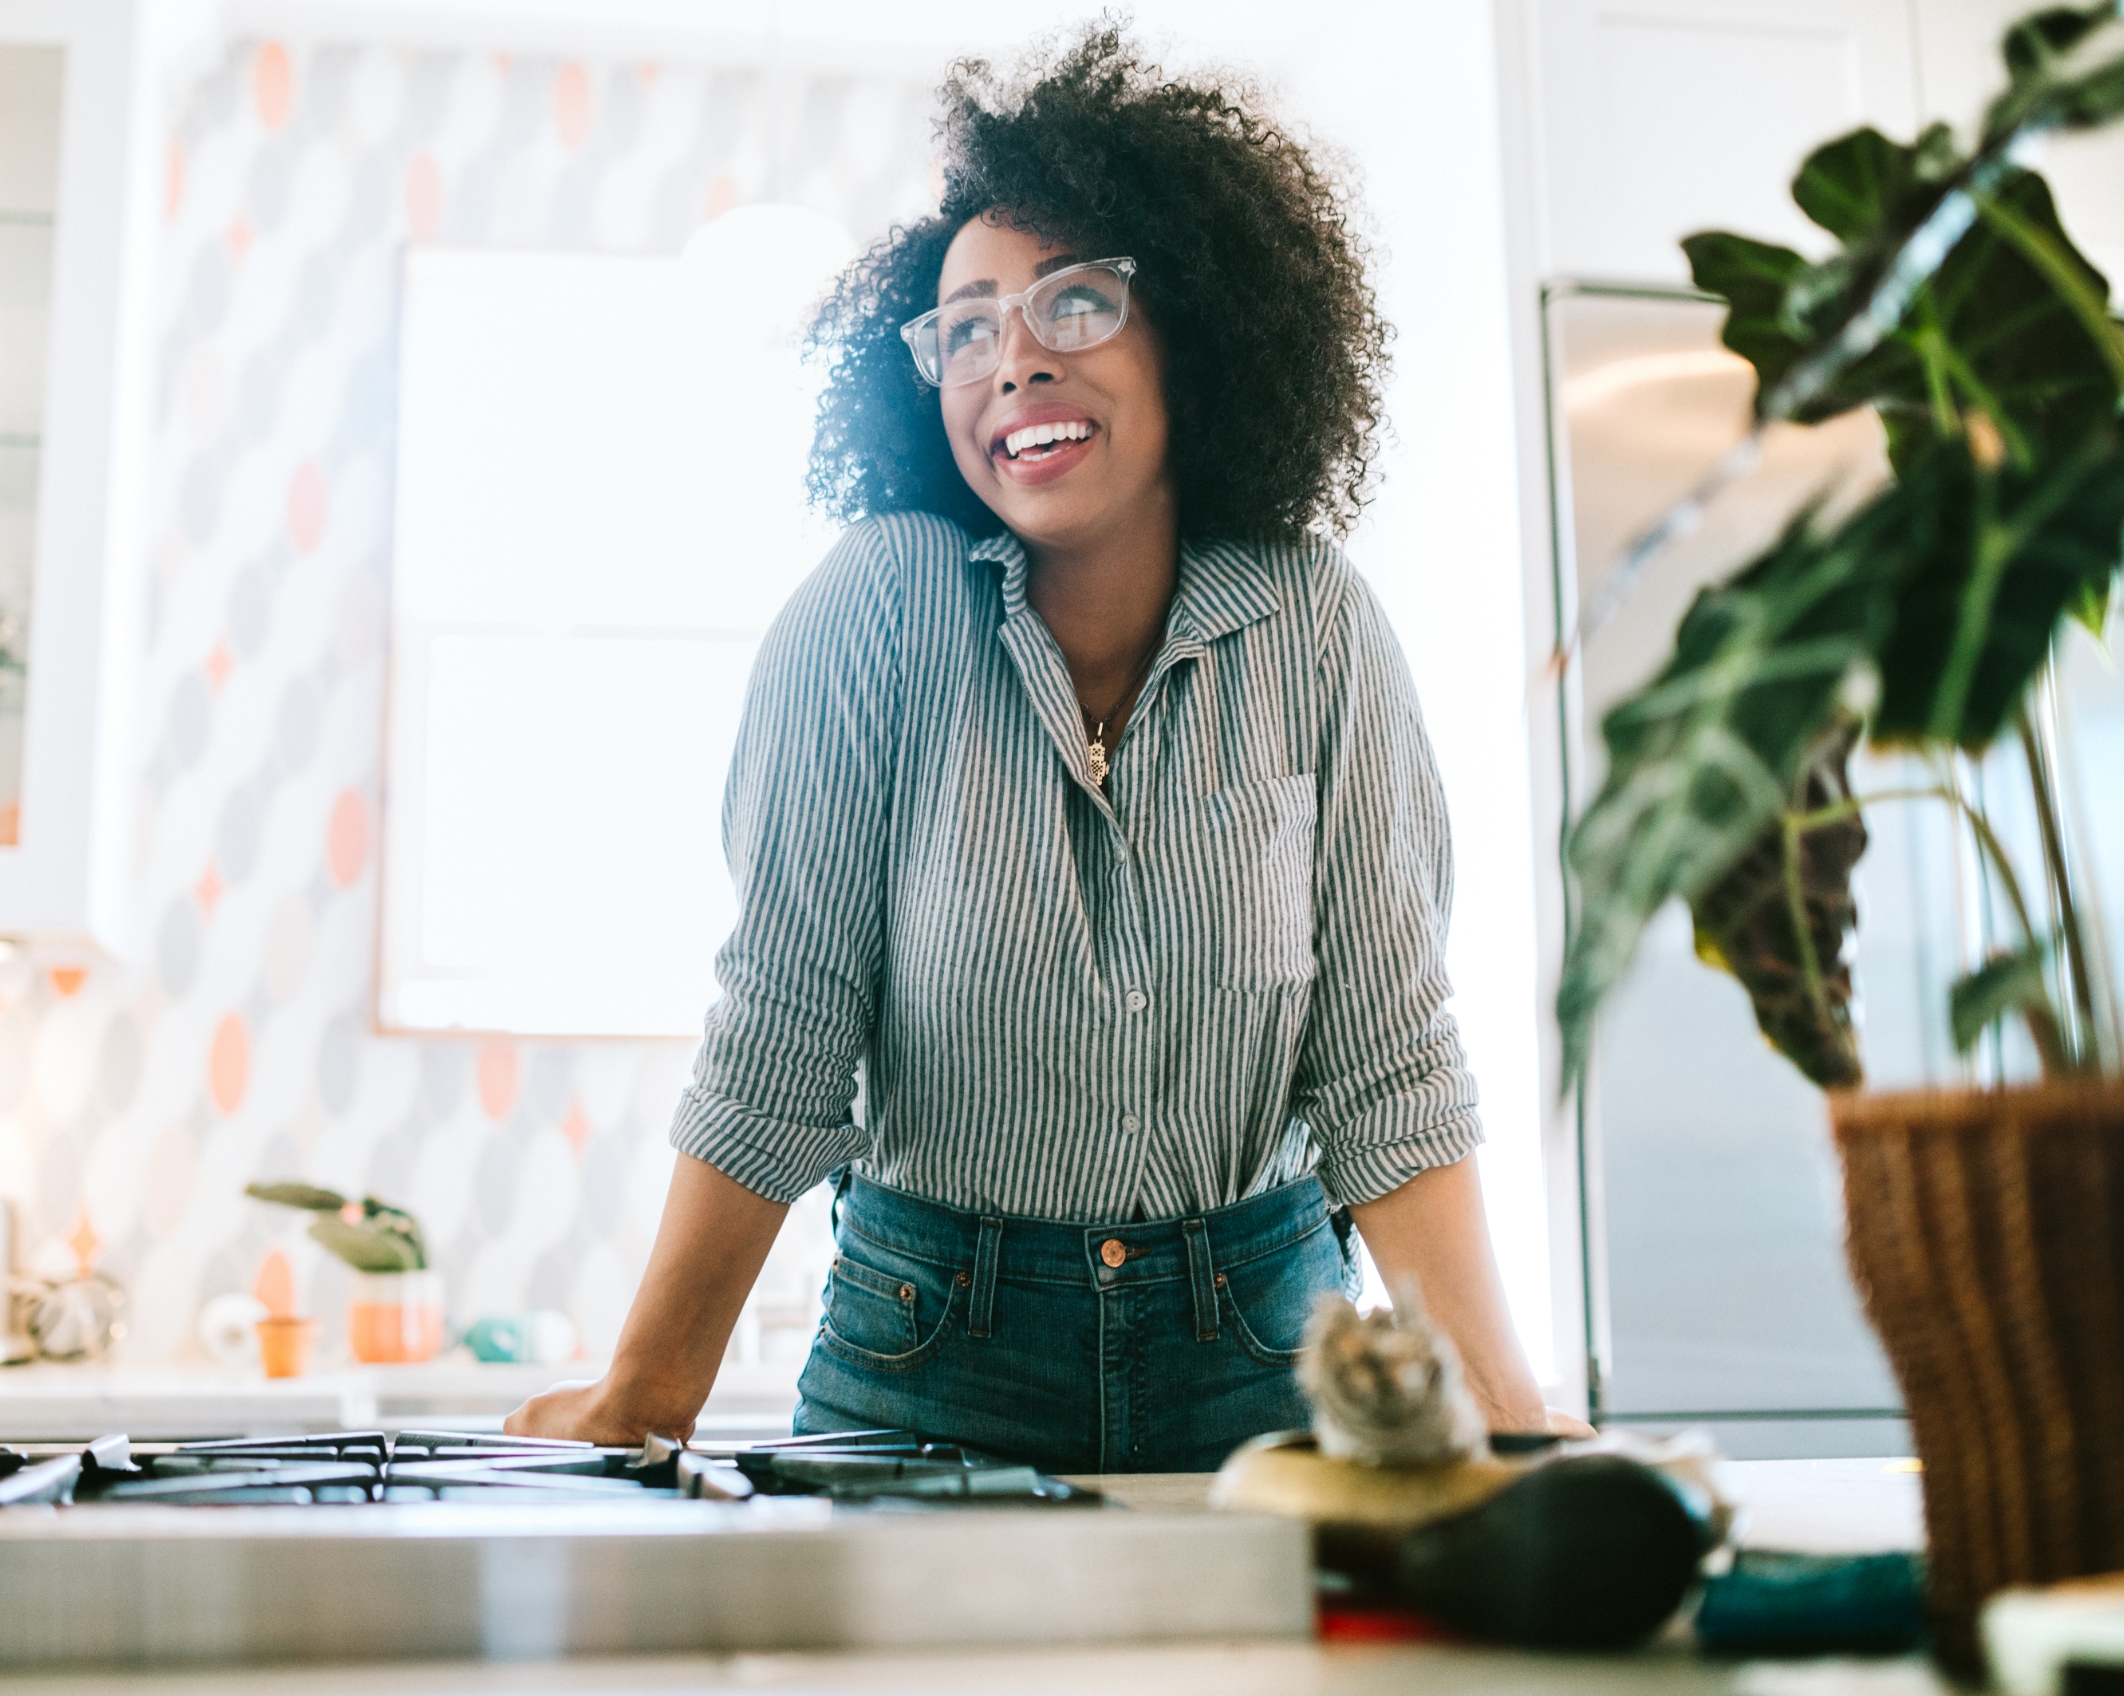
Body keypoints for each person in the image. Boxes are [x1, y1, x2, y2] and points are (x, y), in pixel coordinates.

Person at [508, 27, 1587, 1470]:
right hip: (929, 1358)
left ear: (1190, 330)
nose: (1012, 358)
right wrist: (644, 1397)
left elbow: (1387, 1067)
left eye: (1074, 302)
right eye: (965, 326)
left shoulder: (1317, 625)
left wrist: (1505, 1415)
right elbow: (783, 1033)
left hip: (1270, 1359)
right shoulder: (877, 611)